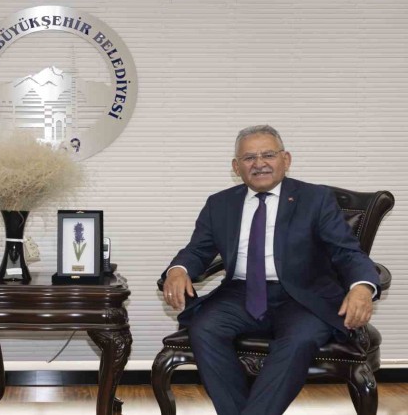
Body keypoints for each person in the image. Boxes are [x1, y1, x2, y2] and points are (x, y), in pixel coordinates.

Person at [162, 125, 379, 415]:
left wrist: (362, 286)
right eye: (249, 157)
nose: (259, 163)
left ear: (285, 159)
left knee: (299, 340)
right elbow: (197, 250)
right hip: (239, 294)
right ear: (236, 167)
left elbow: (347, 251)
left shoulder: (315, 199)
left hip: (304, 296)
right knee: (204, 329)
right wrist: (178, 270)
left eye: (268, 155)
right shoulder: (220, 203)